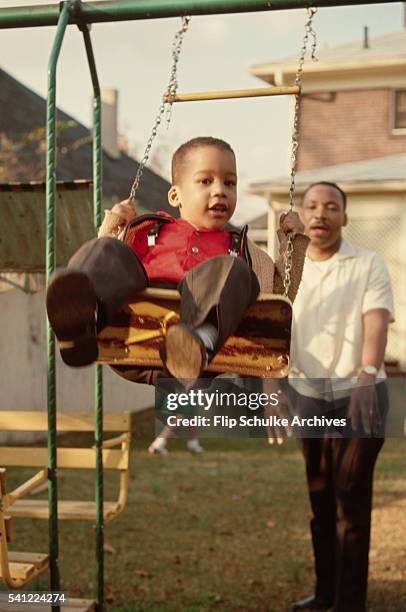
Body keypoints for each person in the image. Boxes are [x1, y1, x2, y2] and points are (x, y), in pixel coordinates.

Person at [46, 137, 309, 392]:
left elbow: (278, 296)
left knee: (235, 270)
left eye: (229, 183)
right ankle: (81, 325)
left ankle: (197, 339)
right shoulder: (148, 230)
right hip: (128, 335)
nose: (220, 190)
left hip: (194, 356)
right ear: (175, 195)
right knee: (107, 248)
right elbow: (107, 270)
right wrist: (115, 223)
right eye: (206, 181)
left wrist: (292, 243)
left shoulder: (239, 248)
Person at [282, 182, 394, 612]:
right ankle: (325, 592)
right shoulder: (289, 270)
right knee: (320, 497)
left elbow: (376, 319)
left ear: (344, 218)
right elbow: (274, 327)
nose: (321, 214)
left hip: (360, 395)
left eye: (332, 207)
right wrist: (275, 389)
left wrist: (367, 375)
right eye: (312, 206)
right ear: (301, 215)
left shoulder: (368, 264)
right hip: (309, 395)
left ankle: (349, 603)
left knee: (351, 498)